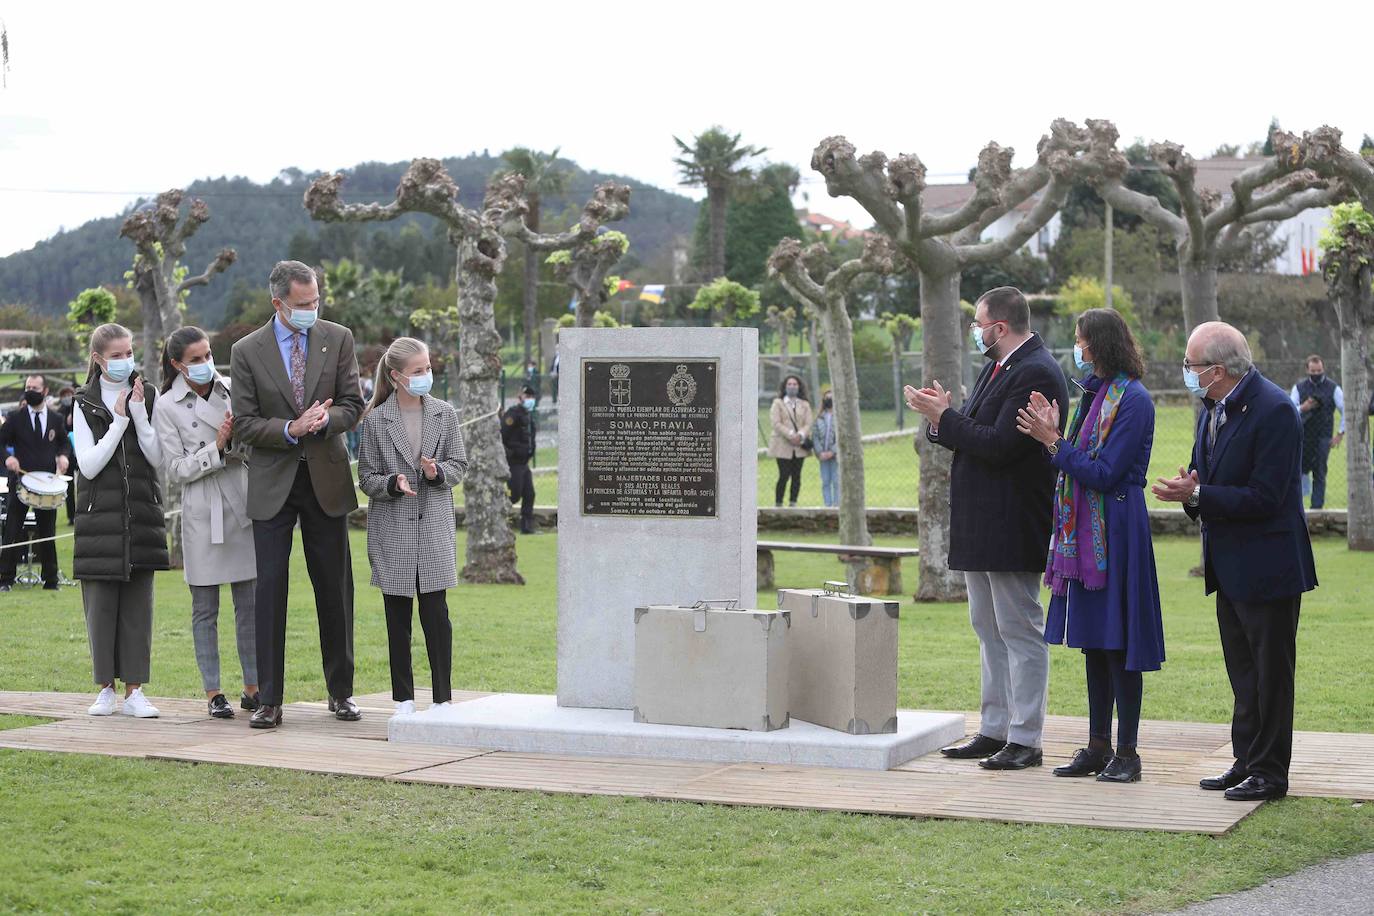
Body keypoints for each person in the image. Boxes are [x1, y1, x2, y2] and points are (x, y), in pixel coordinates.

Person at [907, 286, 1069, 770]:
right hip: (981, 522)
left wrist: (946, 417)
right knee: (987, 628)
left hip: (1012, 521)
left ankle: (1025, 738)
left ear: (999, 327)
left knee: (1018, 629)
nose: (974, 332)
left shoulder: (1036, 371)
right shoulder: (999, 366)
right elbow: (973, 434)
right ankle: (994, 728)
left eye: (978, 324)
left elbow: (1000, 445)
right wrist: (944, 418)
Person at [1153, 321, 1316, 801]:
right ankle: (1246, 761)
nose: (1186, 372)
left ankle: (1270, 771)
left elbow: (1266, 497)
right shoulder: (1211, 409)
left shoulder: (1275, 411)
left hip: (1268, 566)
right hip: (1228, 566)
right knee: (1244, 675)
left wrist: (1200, 493)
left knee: (1271, 676)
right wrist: (1190, 493)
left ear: (1218, 369)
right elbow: (1201, 480)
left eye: (1191, 365)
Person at [1016, 308, 1164, 783]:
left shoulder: (1134, 400)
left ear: (1098, 345)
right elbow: (1075, 461)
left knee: (1119, 644)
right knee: (1095, 646)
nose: (1075, 348)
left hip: (1116, 532)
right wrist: (1056, 437)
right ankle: (1098, 745)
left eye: (1080, 340)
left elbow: (1104, 472)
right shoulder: (1093, 395)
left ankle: (1128, 753)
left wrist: (1054, 441)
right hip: (1086, 535)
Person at [230, 260, 365, 729]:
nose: (312, 309)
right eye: (303, 304)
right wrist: (290, 427)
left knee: (335, 590)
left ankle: (341, 692)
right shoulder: (247, 350)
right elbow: (244, 423)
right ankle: (269, 699)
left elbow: (354, 403)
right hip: (272, 484)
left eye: (316, 302)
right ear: (278, 303)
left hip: (325, 481)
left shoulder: (338, 337)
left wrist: (327, 421)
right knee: (269, 593)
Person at [356, 338, 468, 716]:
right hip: (393, 529)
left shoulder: (445, 414)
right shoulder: (376, 420)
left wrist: (437, 473)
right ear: (396, 376)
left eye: (428, 368)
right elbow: (367, 475)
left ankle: (443, 697)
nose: (426, 376)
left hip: (434, 525)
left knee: (437, 616)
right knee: (397, 618)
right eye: (418, 371)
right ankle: (403, 697)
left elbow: (459, 465)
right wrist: (392, 483)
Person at [152, 326, 259, 719]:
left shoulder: (230, 388)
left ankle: (254, 686)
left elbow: (255, 438)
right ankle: (214, 691)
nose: (205, 364)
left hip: (241, 499)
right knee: (205, 608)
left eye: (208, 355)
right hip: (203, 510)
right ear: (177, 364)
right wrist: (214, 448)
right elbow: (175, 470)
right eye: (195, 359)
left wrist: (236, 441)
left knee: (249, 604)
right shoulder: (165, 406)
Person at [72, 324, 168, 718]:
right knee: (101, 607)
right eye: (116, 354)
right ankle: (106, 690)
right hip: (99, 521)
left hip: (141, 514)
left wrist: (140, 415)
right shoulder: (83, 403)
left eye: (129, 352)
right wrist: (118, 423)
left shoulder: (148, 394)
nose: (126, 360)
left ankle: (135, 692)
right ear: (98, 358)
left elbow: (157, 455)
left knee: (138, 608)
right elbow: (89, 465)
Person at [0, 374, 74, 590]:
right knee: (12, 531)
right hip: (21, 482)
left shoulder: (55, 419)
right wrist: (8, 458)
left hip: (47, 485)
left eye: (35, 387)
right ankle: (5, 579)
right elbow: (0, 443)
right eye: (27, 386)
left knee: (47, 532)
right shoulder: (15, 418)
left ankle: (51, 580)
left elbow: (63, 443)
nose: (30, 390)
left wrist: (63, 456)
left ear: (45, 390)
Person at [1289, 355, 1345, 509]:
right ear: (1307, 370)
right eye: (1313, 371)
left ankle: (1316, 510)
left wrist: (1340, 434)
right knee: (1297, 473)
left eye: (1319, 370)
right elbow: (1289, 410)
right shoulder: (1298, 388)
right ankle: (1295, 508)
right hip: (1301, 438)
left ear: (1323, 369)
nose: (1316, 373)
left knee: (1320, 473)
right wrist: (1303, 408)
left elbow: (1345, 410)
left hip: (1323, 437)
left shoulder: (1334, 388)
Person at [769, 375, 813, 507]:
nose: (792, 386)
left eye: (795, 384)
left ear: (799, 387)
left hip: (799, 446)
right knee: (784, 475)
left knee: (796, 476)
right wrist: (790, 435)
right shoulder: (778, 403)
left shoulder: (804, 405)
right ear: (785, 386)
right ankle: (778, 503)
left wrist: (800, 435)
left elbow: (808, 423)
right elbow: (776, 423)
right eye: (789, 384)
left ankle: (793, 502)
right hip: (782, 445)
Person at [502, 385, 537, 534]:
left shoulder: (528, 416)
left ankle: (526, 527)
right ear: (520, 397)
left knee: (529, 494)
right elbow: (502, 436)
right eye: (526, 396)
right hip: (514, 462)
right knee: (514, 495)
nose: (529, 399)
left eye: (531, 396)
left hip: (524, 463)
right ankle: (497, 519)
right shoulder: (513, 414)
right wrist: (510, 453)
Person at [813, 389, 839, 508]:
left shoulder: (840, 417)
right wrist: (820, 452)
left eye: (831, 398)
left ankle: (837, 504)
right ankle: (827, 505)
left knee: (836, 480)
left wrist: (832, 451)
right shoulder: (819, 418)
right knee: (825, 481)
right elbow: (815, 436)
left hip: (836, 456)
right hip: (822, 456)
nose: (829, 400)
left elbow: (841, 436)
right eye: (827, 398)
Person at [58, 385, 78, 525]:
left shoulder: (79, 408)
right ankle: (71, 516)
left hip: (81, 451)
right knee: (69, 486)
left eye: (69, 394)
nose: (67, 397)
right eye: (64, 395)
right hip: (68, 454)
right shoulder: (60, 413)